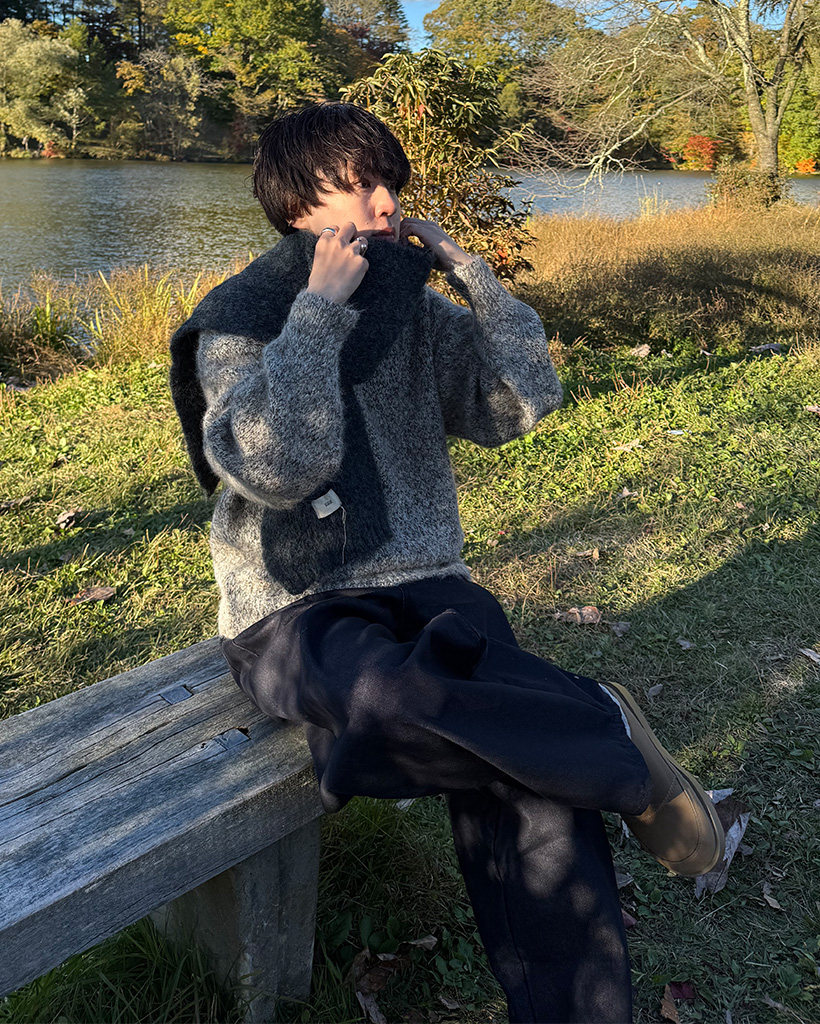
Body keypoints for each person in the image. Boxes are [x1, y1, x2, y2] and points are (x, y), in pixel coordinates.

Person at [169, 102, 724, 1024]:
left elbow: (516, 404)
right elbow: (279, 469)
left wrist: (474, 277)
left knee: (531, 787)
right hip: (293, 606)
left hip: (428, 584)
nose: (387, 204)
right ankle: (600, 726)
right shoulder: (240, 320)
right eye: (359, 185)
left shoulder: (414, 305)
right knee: (386, 701)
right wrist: (318, 315)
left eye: (391, 183)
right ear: (296, 203)